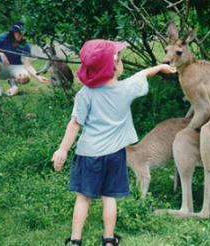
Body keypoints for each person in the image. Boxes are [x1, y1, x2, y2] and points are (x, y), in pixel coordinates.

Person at [51, 39, 176, 246]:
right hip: (116, 155)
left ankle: (75, 241)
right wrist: (161, 67)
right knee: (109, 197)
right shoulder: (126, 89)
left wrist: (62, 149)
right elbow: (143, 74)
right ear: (115, 67)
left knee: (83, 197)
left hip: (89, 155)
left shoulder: (85, 94)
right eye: (120, 59)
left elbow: (75, 124)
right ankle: (108, 240)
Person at [0, 20, 49, 97]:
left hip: (16, 67)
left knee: (25, 78)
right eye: (18, 32)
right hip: (1, 66)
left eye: (22, 33)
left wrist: (38, 77)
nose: (20, 35)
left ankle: (14, 85)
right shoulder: (2, 37)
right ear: (13, 32)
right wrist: (1, 54)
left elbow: (28, 65)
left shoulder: (25, 44)